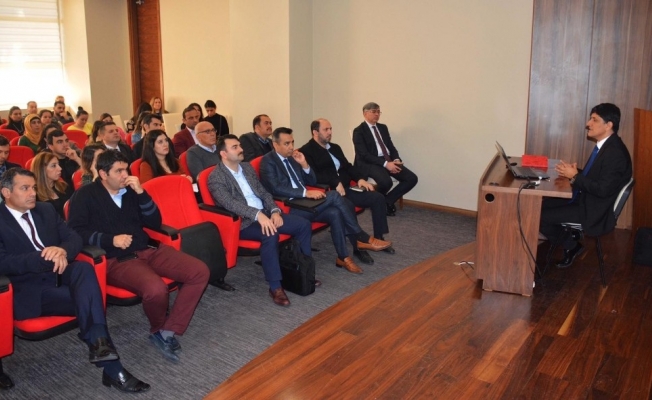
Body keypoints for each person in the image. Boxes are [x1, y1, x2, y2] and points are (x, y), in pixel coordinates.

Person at [0, 168, 150, 393]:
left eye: (33, 187)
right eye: (25, 188)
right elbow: (3, 262)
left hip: (60, 272)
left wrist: (61, 250)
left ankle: (101, 348)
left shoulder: (45, 209)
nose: (33, 193)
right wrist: (44, 257)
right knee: (89, 302)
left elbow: (73, 237)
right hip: (29, 288)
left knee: (82, 268)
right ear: (6, 192)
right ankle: (112, 368)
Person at [67, 150, 210, 363]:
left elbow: (154, 222)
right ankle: (158, 327)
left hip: (148, 248)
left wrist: (142, 193)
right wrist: (110, 240)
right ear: (103, 174)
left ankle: (167, 330)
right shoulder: (85, 195)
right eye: (119, 171)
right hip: (118, 259)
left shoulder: (132, 190)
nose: (126, 175)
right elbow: (75, 232)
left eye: (126, 169)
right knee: (156, 289)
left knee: (199, 271)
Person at [260, 127, 391, 270]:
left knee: (335, 212)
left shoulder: (292, 158)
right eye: (287, 144)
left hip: (306, 204)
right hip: (290, 207)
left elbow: (312, 180)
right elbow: (276, 188)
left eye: (292, 142)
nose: (291, 147)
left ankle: (343, 257)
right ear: (275, 144)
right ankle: (361, 236)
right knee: (334, 195)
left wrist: (304, 164)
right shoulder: (268, 161)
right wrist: (305, 193)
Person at [208, 134, 313, 306]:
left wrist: (275, 211)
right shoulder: (216, 177)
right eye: (235, 147)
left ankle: (304, 272)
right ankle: (275, 287)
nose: (241, 149)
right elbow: (230, 203)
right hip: (243, 222)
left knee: (303, 225)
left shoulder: (247, 167)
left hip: (266, 214)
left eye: (239, 145)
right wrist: (258, 215)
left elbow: (264, 193)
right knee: (270, 234)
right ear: (224, 154)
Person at [539, 103, 633, 268]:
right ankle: (571, 236)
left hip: (594, 211)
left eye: (594, 120)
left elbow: (603, 189)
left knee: (539, 216)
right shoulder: (607, 145)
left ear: (608, 125)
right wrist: (574, 172)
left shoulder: (615, 154)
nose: (588, 124)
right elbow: (598, 177)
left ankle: (571, 245)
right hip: (587, 199)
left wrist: (575, 176)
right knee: (539, 206)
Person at [301, 118, 395, 254]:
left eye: (330, 129)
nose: (330, 132)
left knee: (378, 198)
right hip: (330, 193)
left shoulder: (335, 148)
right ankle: (358, 247)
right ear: (315, 132)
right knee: (348, 206)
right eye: (326, 129)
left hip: (347, 188)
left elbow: (348, 167)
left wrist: (360, 179)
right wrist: (335, 182)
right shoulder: (307, 151)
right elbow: (313, 176)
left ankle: (379, 237)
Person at [352, 102, 418, 216]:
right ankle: (374, 200)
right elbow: (364, 155)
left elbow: (390, 147)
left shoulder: (383, 127)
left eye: (378, 112)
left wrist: (396, 159)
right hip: (369, 162)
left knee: (411, 178)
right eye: (374, 112)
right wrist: (386, 164)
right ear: (365, 113)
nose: (377, 114)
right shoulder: (359, 131)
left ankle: (386, 201)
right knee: (386, 182)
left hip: (387, 159)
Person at [30, 152, 74, 218]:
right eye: (53, 166)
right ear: (42, 170)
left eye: (58, 164)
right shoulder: (34, 195)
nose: (60, 168)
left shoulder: (64, 187)